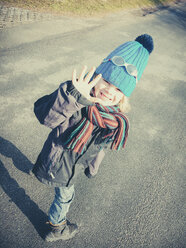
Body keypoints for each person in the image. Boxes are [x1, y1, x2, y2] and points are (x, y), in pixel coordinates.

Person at [32, 34, 154, 242]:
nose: (109, 90)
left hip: (75, 165)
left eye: (118, 89)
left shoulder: (114, 119)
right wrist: (72, 96)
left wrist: (93, 167)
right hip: (61, 165)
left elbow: (100, 147)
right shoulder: (77, 98)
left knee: (61, 188)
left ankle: (43, 172)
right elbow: (46, 117)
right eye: (106, 81)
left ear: (125, 95)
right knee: (65, 197)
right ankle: (57, 228)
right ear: (97, 76)